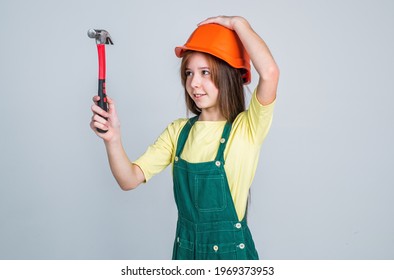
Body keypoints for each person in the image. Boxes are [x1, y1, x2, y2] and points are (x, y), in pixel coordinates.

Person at [90, 16, 279, 260]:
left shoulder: (247, 128)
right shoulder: (178, 132)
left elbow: (270, 73)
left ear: (229, 75)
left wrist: (238, 23)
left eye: (205, 73)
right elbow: (129, 179)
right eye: (189, 73)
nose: (194, 83)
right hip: (186, 254)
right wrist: (112, 138)